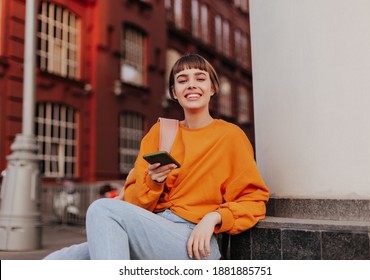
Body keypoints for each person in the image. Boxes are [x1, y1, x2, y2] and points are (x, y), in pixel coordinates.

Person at [44, 53, 269, 260]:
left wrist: (214, 217)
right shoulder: (161, 132)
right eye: (182, 80)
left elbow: (254, 200)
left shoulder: (230, 136)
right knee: (53, 263)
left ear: (212, 88)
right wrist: (154, 181)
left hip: (193, 240)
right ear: (174, 92)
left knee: (101, 208)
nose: (191, 84)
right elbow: (132, 203)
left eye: (200, 78)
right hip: (147, 228)